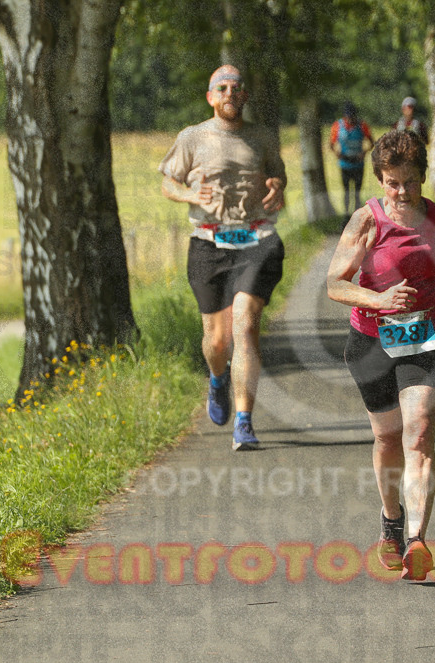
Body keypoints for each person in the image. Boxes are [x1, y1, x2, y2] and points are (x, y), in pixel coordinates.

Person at [326, 130, 435, 581]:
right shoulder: (366, 222)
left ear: (423, 177)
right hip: (370, 341)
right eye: (391, 183)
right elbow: (335, 284)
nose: (401, 192)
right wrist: (379, 301)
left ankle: (418, 539)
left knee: (419, 433)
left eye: (409, 181)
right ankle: (391, 523)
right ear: (381, 181)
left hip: (427, 336)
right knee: (387, 439)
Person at [159, 65, 287, 452]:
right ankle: (218, 380)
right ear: (211, 96)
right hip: (209, 244)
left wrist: (276, 186)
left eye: (237, 87)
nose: (230, 92)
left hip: (257, 239)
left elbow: (278, 176)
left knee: (245, 324)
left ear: (245, 96)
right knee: (217, 341)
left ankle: (244, 422)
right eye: (222, 87)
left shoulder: (263, 137)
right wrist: (189, 196)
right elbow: (168, 182)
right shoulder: (192, 137)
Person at [330, 102, 375, 217]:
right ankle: (346, 216)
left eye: (352, 116)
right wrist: (337, 153)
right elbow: (331, 144)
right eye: (348, 116)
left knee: (357, 193)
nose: (350, 119)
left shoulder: (362, 126)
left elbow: (372, 142)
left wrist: (364, 152)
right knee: (346, 192)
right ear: (344, 116)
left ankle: (357, 216)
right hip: (344, 164)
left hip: (358, 164)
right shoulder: (338, 126)